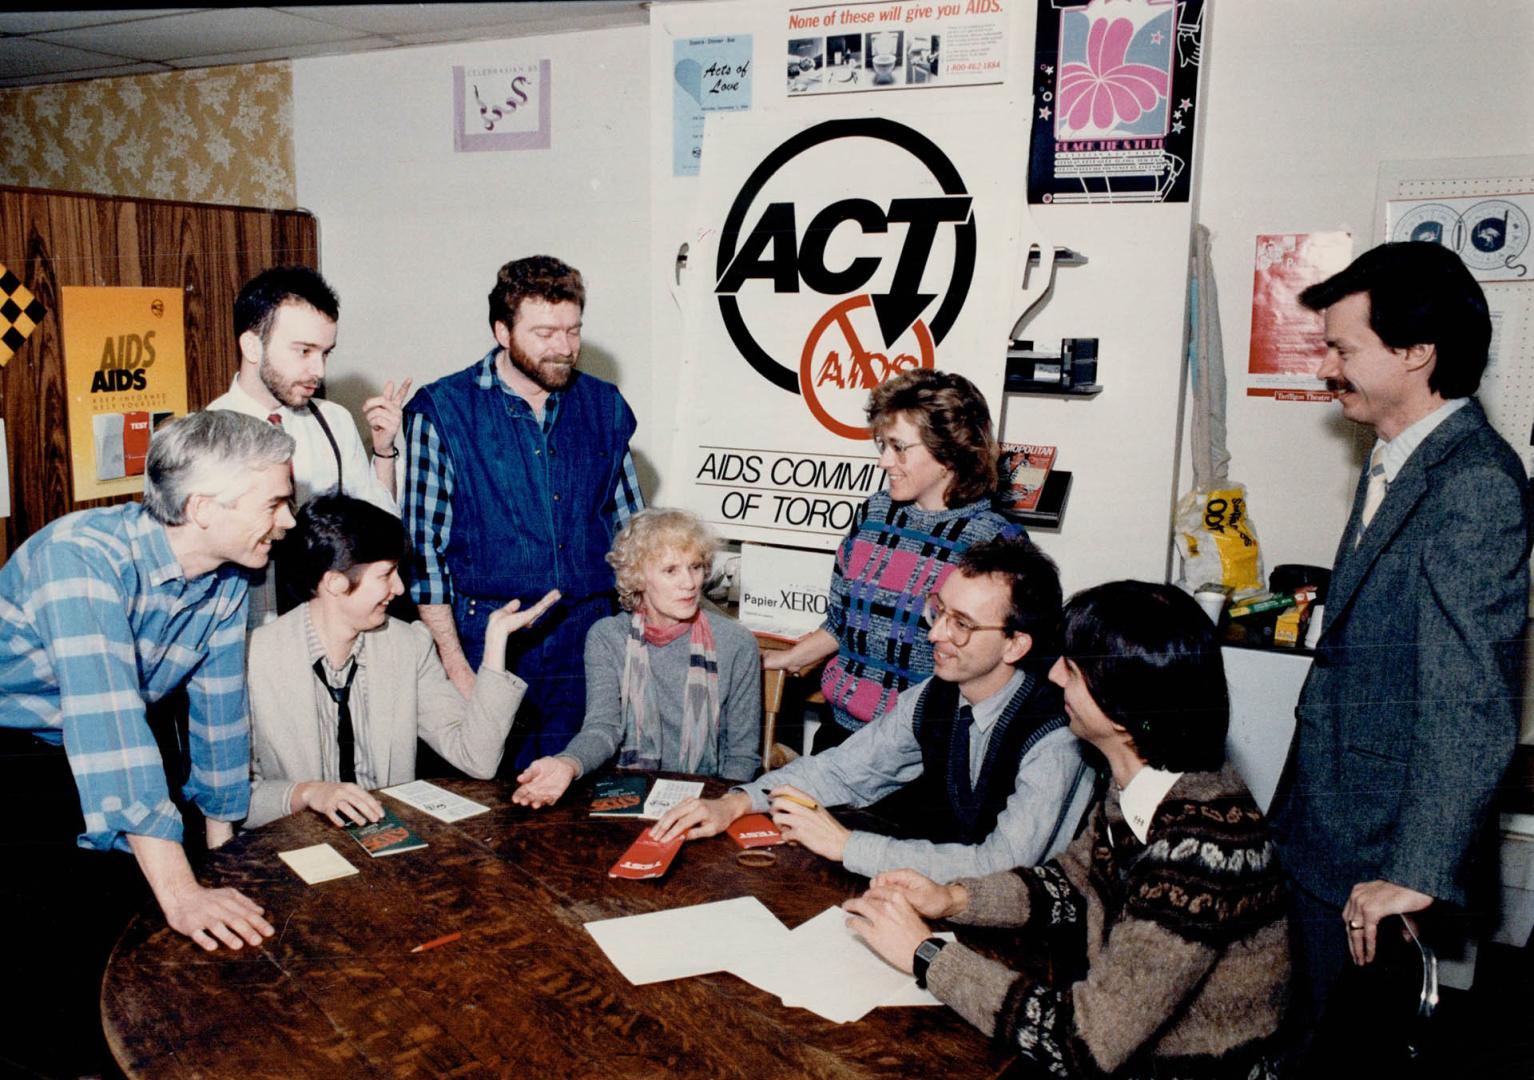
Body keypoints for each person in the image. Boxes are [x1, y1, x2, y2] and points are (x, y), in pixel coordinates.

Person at [844, 581, 1290, 1079]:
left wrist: (927, 954)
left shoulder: (1199, 852)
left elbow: (1082, 1043)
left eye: (1073, 670)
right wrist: (954, 899)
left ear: (1122, 712)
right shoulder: (1147, 782)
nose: (1054, 674)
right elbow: (1073, 884)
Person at [1267, 241, 1532, 1057]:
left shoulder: (1474, 484)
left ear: (1416, 353)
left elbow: (1469, 695)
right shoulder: (1398, 455)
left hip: (1379, 851)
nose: (1328, 370)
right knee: (1298, 1030)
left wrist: (1415, 871)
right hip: (1329, 822)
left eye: (1344, 349)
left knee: (1336, 1046)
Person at [0, 411, 292, 1072]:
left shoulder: (228, 575)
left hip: (107, 737)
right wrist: (185, 893)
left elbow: (220, 712)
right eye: (275, 502)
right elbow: (108, 726)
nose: (289, 521)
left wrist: (223, 856)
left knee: (151, 921)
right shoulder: (77, 558)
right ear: (203, 508)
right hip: (14, 757)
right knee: (49, 954)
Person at [653, 534, 1094, 882]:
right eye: (938, 611)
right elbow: (843, 770)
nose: (935, 634)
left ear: (1016, 644)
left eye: (961, 624)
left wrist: (847, 846)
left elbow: (1003, 866)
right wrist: (735, 803)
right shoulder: (936, 693)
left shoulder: (1057, 735)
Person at [404, 255, 644, 772]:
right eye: (544, 333)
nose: (564, 347)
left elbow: (634, 537)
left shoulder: (604, 407)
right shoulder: (442, 411)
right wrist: (457, 668)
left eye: (573, 331)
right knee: (487, 801)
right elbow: (423, 556)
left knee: (579, 792)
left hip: (587, 637)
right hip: (487, 640)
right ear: (501, 331)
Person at [244, 494, 559, 829]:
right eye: (386, 574)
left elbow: (478, 759)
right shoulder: (255, 658)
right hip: (294, 852)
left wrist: (495, 648)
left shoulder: (409, 645)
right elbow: (233, 802)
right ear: (335, 582)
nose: (399, 587)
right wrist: (307, 794)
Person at [761, 369, 1023, 749]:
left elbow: (999, 671)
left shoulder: (994, 540)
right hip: (841, 735)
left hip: (924, 750)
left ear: (949, 453)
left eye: (899, 447)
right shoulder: (872, 514)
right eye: (882, 445)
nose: (884, 461)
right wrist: (785, 659)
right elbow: (840, 623)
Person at [512, 509, 761, 806]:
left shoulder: (735, 641)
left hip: (709, 800)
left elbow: (741, 756)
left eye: (695, 567)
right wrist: (568, 763)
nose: (690, 583)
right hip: (628, 792)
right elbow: (602, 729)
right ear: (638, 576)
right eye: (671, 570)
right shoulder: (607, 637)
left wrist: (722, 809)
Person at [207, 265, 411, 626]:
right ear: (252, 345)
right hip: (245, 639)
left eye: (325, 353)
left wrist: (383, 452)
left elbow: (375, 532)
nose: (318, 370)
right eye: (304, 351)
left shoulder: (333, 421)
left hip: (326, 633)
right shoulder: (204, 437)